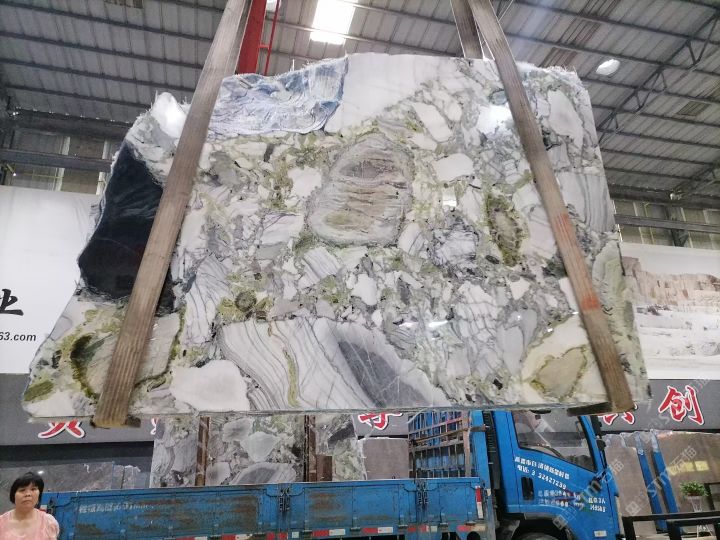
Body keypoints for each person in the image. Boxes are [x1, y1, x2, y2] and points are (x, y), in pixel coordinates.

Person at [0, 472, 59, 539]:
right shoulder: (1, 522)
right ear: (13, 495)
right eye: (22, 490)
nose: (28, 494)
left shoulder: (48, 522)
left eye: (33, 489)